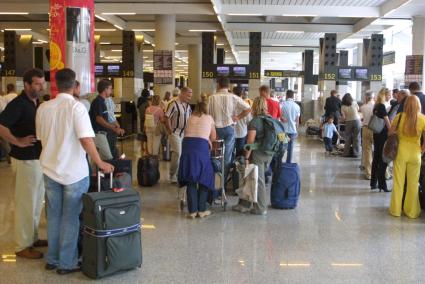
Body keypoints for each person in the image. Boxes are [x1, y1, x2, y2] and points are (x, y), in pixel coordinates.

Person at [36, 68, 114, 274]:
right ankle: (67, 262)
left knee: (53, 216)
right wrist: (100, 162)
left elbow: (41, 137)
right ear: (75, 85)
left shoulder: (43, 107)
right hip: (74, 173)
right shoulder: (76, 108)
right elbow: (86, 140)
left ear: (56, 85)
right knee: (70, 217)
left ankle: (52, 259)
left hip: (49, 169)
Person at [0, 68, 46, 259]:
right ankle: (22, 245)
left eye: (42, 83)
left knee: (36, 203)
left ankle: (33, 238)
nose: (40, 87)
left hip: (37, 159)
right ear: (26, 84)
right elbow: (1, 125)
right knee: (26, 204)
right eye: (36, 83)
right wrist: (17, 141)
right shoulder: (18, 103)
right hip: (24, 159)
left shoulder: (36, 103)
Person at [232, 96, 273, 215]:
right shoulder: (269, 118)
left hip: (258, 154)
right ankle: (245, 204)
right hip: (268, 153)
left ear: (254, 106)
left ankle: (260, 208)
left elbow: (250, 142)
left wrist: (246, 158)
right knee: (251, 178)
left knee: (257, 181)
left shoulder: (255, 121)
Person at [208, 77, 251, 183]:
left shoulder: (211, 98)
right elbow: (248, 108)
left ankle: (215, 181)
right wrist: (238, 117)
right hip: (229, 129)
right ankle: (223, 183)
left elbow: (207, 113)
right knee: (227, 157)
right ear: (228, 86)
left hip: (215, 130)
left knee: (215, 155)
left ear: (218, 85)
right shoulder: (233, 97)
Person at [178, 101, 216, 219]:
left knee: (191, 177)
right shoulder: (209, 118)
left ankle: (192, 211)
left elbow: (190, 133)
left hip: (187, 146)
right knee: (205, 177)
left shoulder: (190, 118)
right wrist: (208, 141)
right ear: (206, 109)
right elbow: (213, 137)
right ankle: (202, 209)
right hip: (201, 147)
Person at [389, 94, 425, 218]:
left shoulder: (399, 117)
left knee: (398, 182)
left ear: (406, 105)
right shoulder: (423, 119)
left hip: (400, 153)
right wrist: (421, 150)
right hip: (415, 154)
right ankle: (412, 211)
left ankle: (396, 210)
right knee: (413, 183)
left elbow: (390, 133)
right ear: (418, 105)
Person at [89, 79, 125, 160]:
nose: (111, 91)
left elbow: (108, 117)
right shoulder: (98, 101)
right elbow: (99, 119)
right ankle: (108, 172)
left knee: (106, 157)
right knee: (108, 158)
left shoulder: (102, 101)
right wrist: (113, 128)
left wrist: (116, 127)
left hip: (103, 133)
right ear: (105, 89)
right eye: (110, 88)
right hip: (98, 133)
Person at [164, 87, 193, 183]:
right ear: (182, 94)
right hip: (175, 133)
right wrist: (170, 131)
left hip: (185, 134)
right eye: (188, 95)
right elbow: (166, 117)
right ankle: (172, 175)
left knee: (183, 155)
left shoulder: (187, 106)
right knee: (178, 153)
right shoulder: (173, 104)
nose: (190, 97)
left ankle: (179, 174)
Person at [370, 88, 392, 192]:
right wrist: (392, 131)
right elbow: (387, 121)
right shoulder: (382, 106)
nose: (390, 97)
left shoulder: (376, 106)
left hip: (376, 134)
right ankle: (382, 184)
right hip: (382, 135)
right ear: (384, 95)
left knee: (376, 158)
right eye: (389, 95)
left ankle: (373, 183)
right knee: (382, 158)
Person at [281, 89, 301, 163]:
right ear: (293, 96)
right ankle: (288, 163)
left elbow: (279, 117)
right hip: (293, 131)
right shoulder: (297, 106)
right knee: (290, 148)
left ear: (286, 95)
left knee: (282, 146)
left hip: (283, 130)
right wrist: (297, 131)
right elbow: (297, 120)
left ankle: (279, 163)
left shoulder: (282, 104)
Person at [359, 91, 375, 180]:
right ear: (373, 97)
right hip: (376, 130)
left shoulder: (363, 107)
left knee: (367, 151)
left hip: (365, 129)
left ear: (366, 97)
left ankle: (368, 173)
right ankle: (382, 172)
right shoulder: (377, 106)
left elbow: (361, 117)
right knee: (378, 151)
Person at [340, 93, 361, 158]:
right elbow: (358, 109)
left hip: (348, 122)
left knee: (348, 138)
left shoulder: (343, 106)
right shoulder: (354, 102)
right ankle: (356, 153)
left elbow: (343, 117)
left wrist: (340, 120)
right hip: (357, 121)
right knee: (356, 137)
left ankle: (346, 153)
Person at [233, 86, 251, 158]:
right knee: (239, 154)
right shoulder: (246, 106)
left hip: (231, 133)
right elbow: (249, 122)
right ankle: (237, 168)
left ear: (233, 93)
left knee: (230, 152)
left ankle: (228, 167)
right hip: (242, 133)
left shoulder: (230, 105)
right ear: (242, 94)